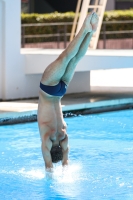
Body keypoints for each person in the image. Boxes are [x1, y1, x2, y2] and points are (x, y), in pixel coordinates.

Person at [37, 12, 99, 171]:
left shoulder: (63, 136)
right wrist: (49, 166)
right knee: (66, 57)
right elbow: (48, 164)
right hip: (48, 88)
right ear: (50, 151)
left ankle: (90, 32)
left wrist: (64, 164)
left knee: (75, 59)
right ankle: (85, 28)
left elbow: (66, 160)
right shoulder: (47, 136)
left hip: (60, 91)